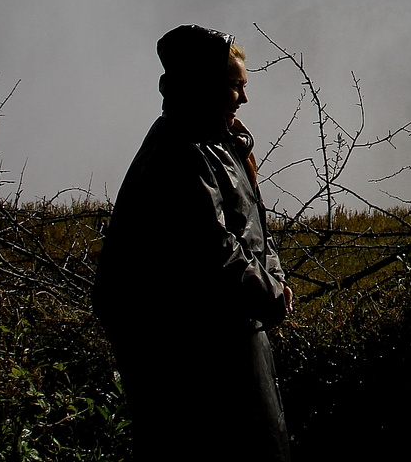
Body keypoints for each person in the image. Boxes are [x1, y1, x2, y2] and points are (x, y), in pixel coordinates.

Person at [95, 25, 293, 461]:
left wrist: (273, 277)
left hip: (228, 340)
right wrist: (271, 292)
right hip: (197, 359)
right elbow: (212, 250)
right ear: (202, 85)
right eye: (234, 85)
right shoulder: (180, 154)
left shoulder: (215, 144)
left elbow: (254, 231)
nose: (243, 99)